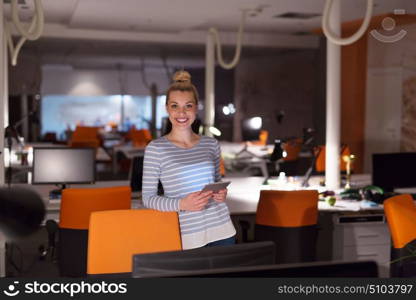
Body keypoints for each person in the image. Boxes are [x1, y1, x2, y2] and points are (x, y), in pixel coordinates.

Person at [141, 70, 236, 249]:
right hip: (187, 235)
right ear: (167, 107)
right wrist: (182, 204)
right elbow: (148, 198)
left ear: (196, 107)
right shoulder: (156, 148)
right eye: (175, 106)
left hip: (222, 230)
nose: (182, 113)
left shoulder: (211, 144)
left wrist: (221, 194)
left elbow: (216, 182)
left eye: (188, 105)